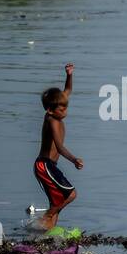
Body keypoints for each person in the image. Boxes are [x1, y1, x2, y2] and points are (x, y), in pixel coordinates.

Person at [34, 63, 82, 231]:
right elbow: (59, 147)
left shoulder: (56, 114)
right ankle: (47, 216)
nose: (65, 111)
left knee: (56, 200)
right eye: (62, 108)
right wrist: (74, 159)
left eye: (66, 107)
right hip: (44, 165)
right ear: (50, 110)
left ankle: (47, 231)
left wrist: (69, 75)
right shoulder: (51, 121)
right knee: (71, 195)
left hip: (49, 166)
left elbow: (67, 91)